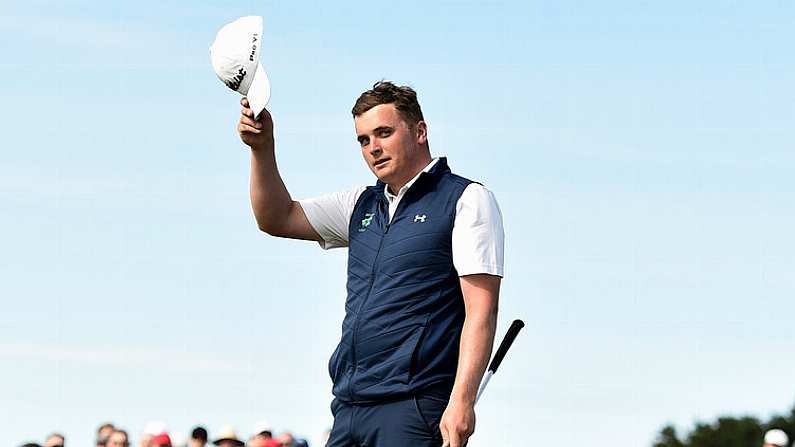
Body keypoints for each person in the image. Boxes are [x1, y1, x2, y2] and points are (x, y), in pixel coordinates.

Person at [237, 81, 504, 447]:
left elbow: (481, 311)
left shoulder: (466, 199)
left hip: (413, 407)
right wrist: (261, 149)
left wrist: (461, 400)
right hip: (349, 408)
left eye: (384, 133)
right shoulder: (360, 205)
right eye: (363, 139)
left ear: (420, 131)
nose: (373, 148)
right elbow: (275, 216)